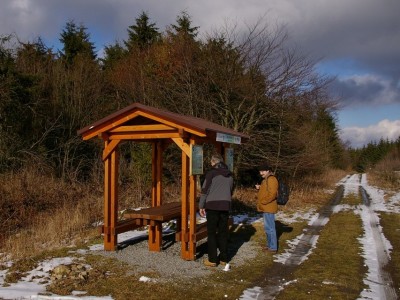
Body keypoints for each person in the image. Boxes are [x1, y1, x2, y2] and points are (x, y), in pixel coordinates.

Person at [199, 153, 234, 267]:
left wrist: (201, 206)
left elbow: (205, 191)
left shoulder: (211, 174)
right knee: (223, 232)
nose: (210, 163)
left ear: (214, 162)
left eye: (211, 162)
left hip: (212, 207)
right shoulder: (229, 175)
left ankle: (213, 259)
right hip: (225, 206)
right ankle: (224, 258)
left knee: (212, 233)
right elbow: (231, 191)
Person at [255, 164, 278, 253]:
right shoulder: (266, 179)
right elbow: (267, 190)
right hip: (266, 207)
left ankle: (272, 248)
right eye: (260, 171)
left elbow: (272, 194)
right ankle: (270, 246)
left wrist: (264, 201)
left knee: (270, 228)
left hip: (269, 206)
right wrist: (260, 188)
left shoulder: (271, 179)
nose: (261, 173)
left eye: (263, 171)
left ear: (268, 170)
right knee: (268, 228)